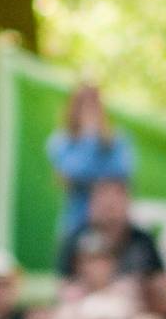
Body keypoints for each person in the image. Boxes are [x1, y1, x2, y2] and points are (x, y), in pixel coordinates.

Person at [48, 83, 135, 240]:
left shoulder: (118, 139)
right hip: (77, 224)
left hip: (112, 225)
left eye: (94, 106)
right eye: (84, 106)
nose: (90, 112)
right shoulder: (61, 142)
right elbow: (73, 172)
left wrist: (92, 178)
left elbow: (122, 173)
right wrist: (90, 138)